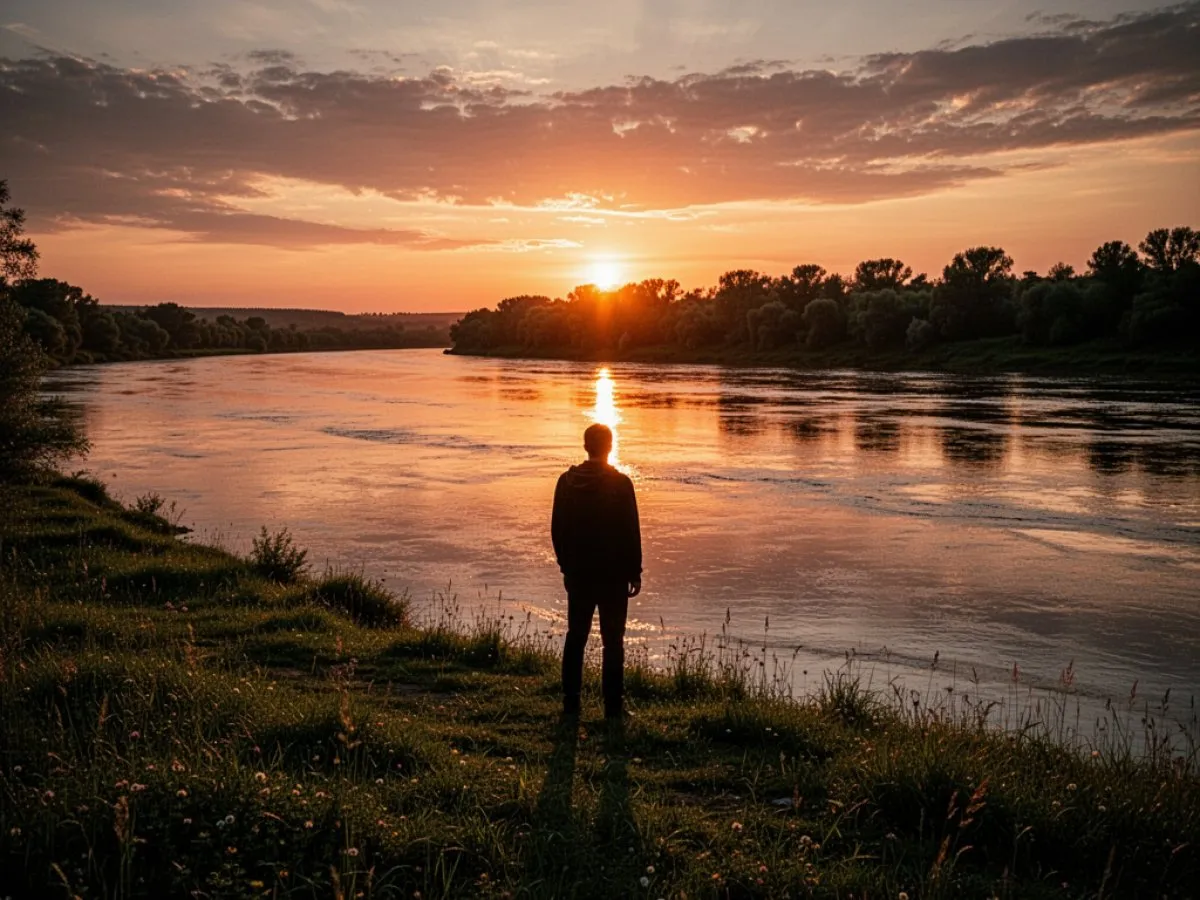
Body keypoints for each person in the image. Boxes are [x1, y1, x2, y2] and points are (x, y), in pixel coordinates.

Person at [551, 423, 642, 720]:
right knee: (612, 640)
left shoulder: (566, 482)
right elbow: (631, 530)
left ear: (585, 445)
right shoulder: (621, 484)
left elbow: (557, 529)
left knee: (576, 636)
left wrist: (566, 565)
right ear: (610, 446)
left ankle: (571, 703)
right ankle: (613, 708)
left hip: (578, 573)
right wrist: (634, 570)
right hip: (613, 576)